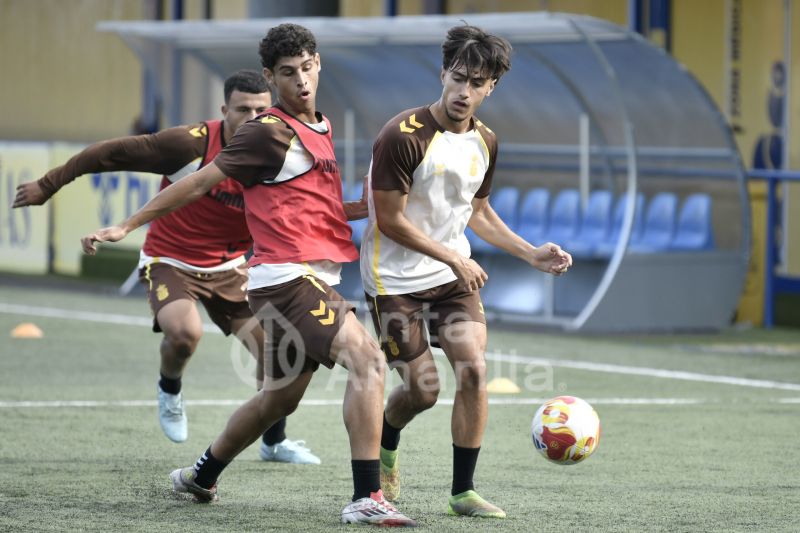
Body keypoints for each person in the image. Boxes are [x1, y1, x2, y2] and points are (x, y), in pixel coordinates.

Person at [79, 23, 416, 527]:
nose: (300, 80)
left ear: (318, 64)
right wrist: (128, 223)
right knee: (368, 361)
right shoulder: (268, 131)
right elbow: (199, 181)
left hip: (307, 276)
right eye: (287, 73)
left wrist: (371, 204)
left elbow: (317, 211)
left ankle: (201, 475)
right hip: (286, 278)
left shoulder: (320, 128)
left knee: (279, 396)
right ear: (270, 76)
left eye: (306, 68)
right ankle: (367, 496)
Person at [13, 70, 321, 464]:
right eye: (243, 109)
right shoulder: (189, 144)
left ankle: (273, 442)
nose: (253, 117)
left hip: (232, 267)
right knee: (184, 334)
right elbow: (109, 153)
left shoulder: (282, 151)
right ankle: (170, 389)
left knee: (277, 354)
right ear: (224, 109)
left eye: (262, 110)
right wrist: (49, 184)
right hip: (171, 260)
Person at [360, 24, 572, 518]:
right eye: (459, 77)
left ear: (491, 87)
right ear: (443, 73)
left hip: (450, 278)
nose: (464, 91)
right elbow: (388, 220)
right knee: (423, 390)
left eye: (477, 83)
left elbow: (477, 211)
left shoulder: (486, 141)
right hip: (394, 281)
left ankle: (463, 492)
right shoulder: (401, 135)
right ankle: (388, 444)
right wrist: (456, 256)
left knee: (473, 370)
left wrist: (529, 252)